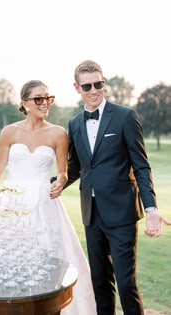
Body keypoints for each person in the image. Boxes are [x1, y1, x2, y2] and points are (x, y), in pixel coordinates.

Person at [0, 80, 97, 314]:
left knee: (46, 267)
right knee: (6, 266)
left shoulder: (58, 133)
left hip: (43, 204)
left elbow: (62, 172)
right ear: (25, 103)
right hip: (9, 205)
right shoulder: (9, 131)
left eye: (48, 98)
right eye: (38, 98)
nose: (45, 103)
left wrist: (60, 183)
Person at [64, 59, 171, 315]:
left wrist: (152, 207)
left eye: (98, 84)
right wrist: (50, 185)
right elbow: (75, 168)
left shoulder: (125, 116)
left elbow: (141, 166)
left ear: (104, 83)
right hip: (91, 214)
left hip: (122, 213)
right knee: (100, 284)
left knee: (126, 284)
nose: (93, 90)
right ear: (77, 88)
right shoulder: (75, 123)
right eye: (87, 86)